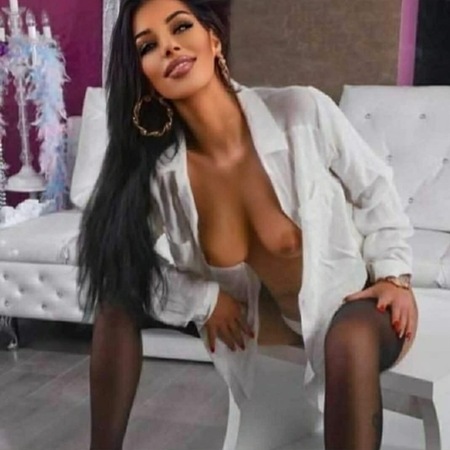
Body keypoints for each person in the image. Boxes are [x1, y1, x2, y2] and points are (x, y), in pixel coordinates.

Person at [77, 0, 419, 449]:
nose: (170, 47)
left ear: (213, 38)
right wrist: (204, 300)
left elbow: (375, 189)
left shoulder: (301, 112)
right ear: (145, 78)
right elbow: (123, 266)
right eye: (148, 46)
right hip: (264, 327)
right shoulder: (164, 175)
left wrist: (394, 274)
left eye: (180, 27)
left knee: (349, 338)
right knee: (116, 302)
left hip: (356, 310)